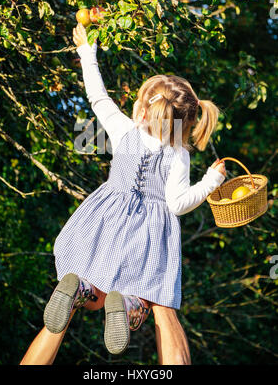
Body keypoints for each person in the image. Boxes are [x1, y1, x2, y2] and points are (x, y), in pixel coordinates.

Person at [20, 23, 226, 365]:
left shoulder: (124, 130)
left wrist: (88, 52)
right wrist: (211, 182)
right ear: (186, 122)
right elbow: (177, 205)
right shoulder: (179, 153)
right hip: (149, 237)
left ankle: (80, 289)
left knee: (92, 297)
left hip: (105, 220)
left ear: (143, 109)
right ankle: (131, 308)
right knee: (152, 298)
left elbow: (97, 96)